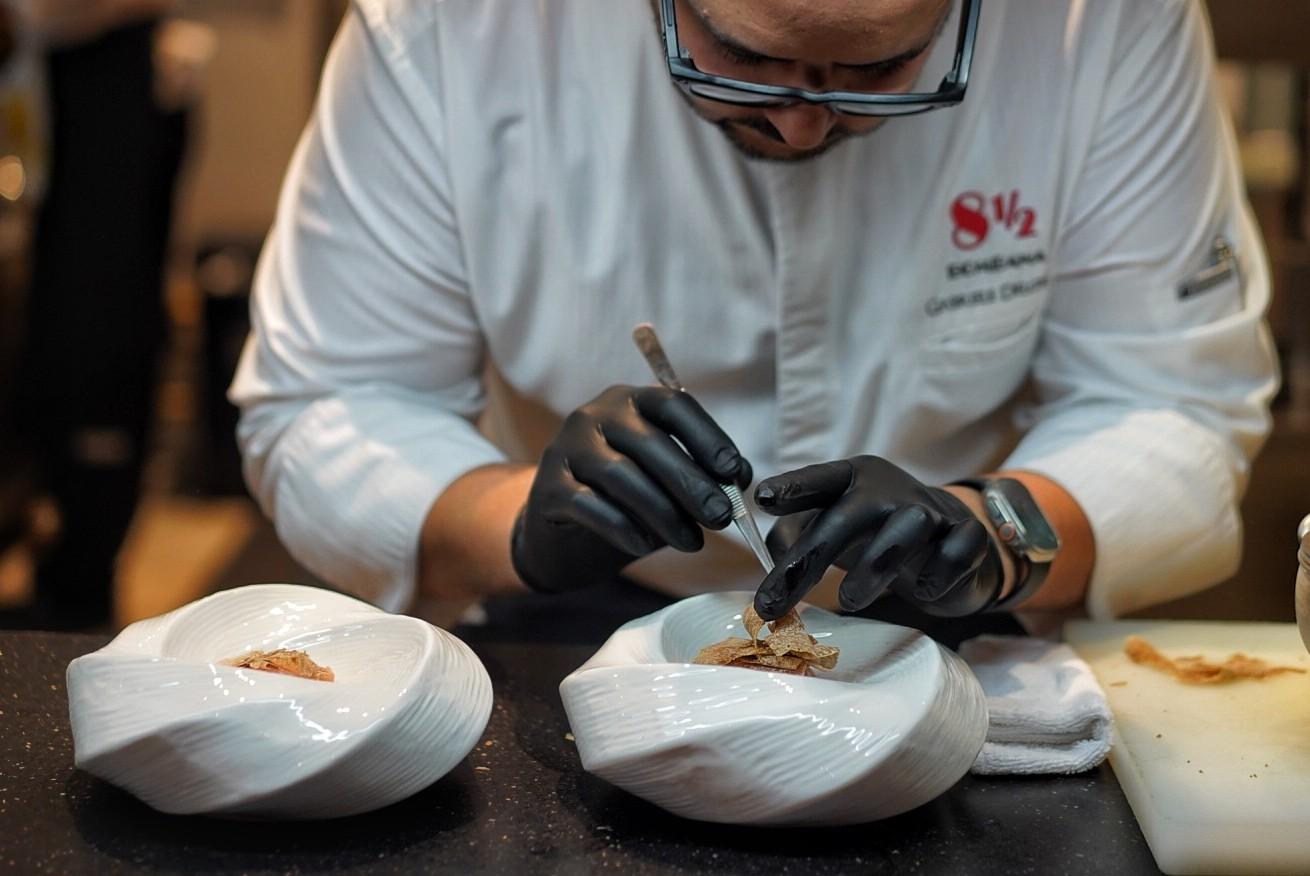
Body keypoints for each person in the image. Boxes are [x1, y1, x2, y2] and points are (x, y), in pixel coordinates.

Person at [231, 0, 1277, 632]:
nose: (800, 124)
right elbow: (330, 403)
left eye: (876, 69)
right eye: (739, 56)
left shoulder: (1101, 23)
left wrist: (992, 532)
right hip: (564, 622)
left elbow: (1170, 403)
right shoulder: (450, 26)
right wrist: (514, 524)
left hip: (954, 628)